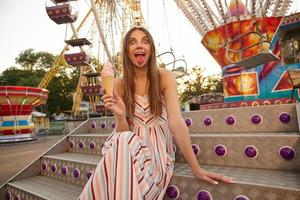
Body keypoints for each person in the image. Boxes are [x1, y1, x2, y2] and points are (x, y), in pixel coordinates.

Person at [80, 26, 233, 200]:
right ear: (126, 51)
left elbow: (175, 122)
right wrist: (121, 116)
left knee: (115, 172)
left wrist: (196, 168)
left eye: (145, 41)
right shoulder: (118, 84)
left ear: (151, 49)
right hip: (126, 147)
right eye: (133, 42)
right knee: (122, 141)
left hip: (156, 153)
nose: (139, 46)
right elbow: (122, 132)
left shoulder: (164, 77)